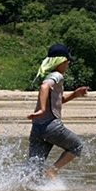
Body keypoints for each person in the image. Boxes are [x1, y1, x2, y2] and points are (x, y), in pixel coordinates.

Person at [25, 43, 89, 181]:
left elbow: (57, 100)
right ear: (61, 62)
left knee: (33, 169)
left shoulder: (49, 75)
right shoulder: (57, 75)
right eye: (67, 62)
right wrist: (42, 109)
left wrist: (75, 94)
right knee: (77, 146)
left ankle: (23, 189)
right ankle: (53, 171)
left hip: (37, 128)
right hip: (51, 126)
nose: (67, 65)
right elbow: (44, 87)